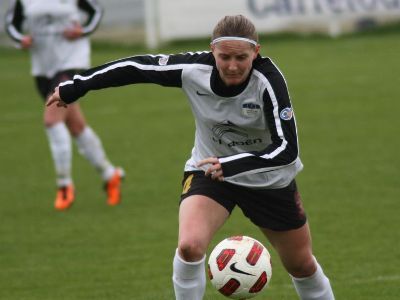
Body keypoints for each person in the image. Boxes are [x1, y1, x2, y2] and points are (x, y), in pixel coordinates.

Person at [47, 14, 335, 299]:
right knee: (189, 246)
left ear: (255, 53)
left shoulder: (268, 82)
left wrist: (232, 165)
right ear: (212, 50)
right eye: (224, 57)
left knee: (301, 265)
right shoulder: (192, 69)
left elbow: (287, 149)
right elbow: (137, 67)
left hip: (267, 180)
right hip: (209, 171)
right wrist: (77, 85)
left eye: (241, 58)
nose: (232, 66)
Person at [5, 0, 124, 211]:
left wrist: (83, 30)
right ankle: (109, 174)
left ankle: (64, 185)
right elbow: (10, 23)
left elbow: (96, 10)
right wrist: (21, 39)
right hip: (42, 67)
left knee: (51, 120)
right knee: (76, 126)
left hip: (72, 61)